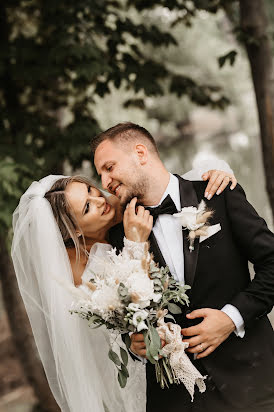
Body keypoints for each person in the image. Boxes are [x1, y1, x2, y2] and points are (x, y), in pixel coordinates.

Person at [11, 166, 233, 412]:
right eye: (87, 207)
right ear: (74, 230)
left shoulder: (122, 201)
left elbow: (174, 188)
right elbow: (113, 335)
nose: (99, 200)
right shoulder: (77, 274)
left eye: (90, 190)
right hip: (153, 379)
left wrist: (215, 176)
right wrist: (135, 244)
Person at [91, 122, 274, 412]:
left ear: (140, 153)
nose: (105, 180)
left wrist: (232, 317)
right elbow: (125, 313)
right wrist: (136, 343)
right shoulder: (119, 236)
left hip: (251, 382)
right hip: (176, 400)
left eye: (109, 167)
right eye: (101, 173)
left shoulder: (218, 193)